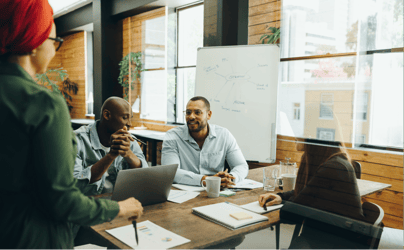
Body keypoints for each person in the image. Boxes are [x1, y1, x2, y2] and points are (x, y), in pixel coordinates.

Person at [0, 1, 142, 249]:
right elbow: (62, 200)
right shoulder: (42, 104)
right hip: (33, 238)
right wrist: (119, 208)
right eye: (54, 41)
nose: (54, 51)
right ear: (33, 42)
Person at [259, 139, 367, 250]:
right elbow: (308, 191)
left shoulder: (332, 168)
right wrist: (281, 197)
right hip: (327, 238)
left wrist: (290, 200)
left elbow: (289, 215)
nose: (295, 137)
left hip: (333, 243)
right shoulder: (333, 161)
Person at [162, 96, 249, 187]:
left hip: (216, 190)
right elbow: (170, 172)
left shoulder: (224, 135)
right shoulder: (172, 136)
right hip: (184, 192)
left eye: (197, 112)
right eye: (188, 112)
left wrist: (230, 177)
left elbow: (241, 165)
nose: (191, 117)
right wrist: (205, 180)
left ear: (209, 115)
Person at [74, 97, 148, 196]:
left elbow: (146, 176)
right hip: (89, 204)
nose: (129, 124)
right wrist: (111, 155)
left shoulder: (129, 140)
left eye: (130, 118)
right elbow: (75, 185)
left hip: (122, 201)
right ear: (107, 115)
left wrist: (129, 154)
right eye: (125, 117)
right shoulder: (77, 140)